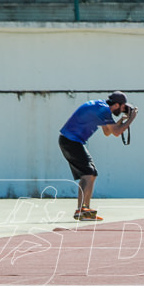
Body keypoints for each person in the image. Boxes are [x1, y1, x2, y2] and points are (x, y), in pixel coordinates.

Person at [58, 91, 137, 221]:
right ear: (117, 105)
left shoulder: (102, 107)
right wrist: (131, 118)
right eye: (123, 107)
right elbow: (116, 133)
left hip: (71, 141)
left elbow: (107, 132)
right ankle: (82, 210)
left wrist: (121, 121)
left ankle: (84, 210)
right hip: (71, 141)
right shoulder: (103, 110)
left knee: (91, 174)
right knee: (88, 174)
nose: (124, 110)